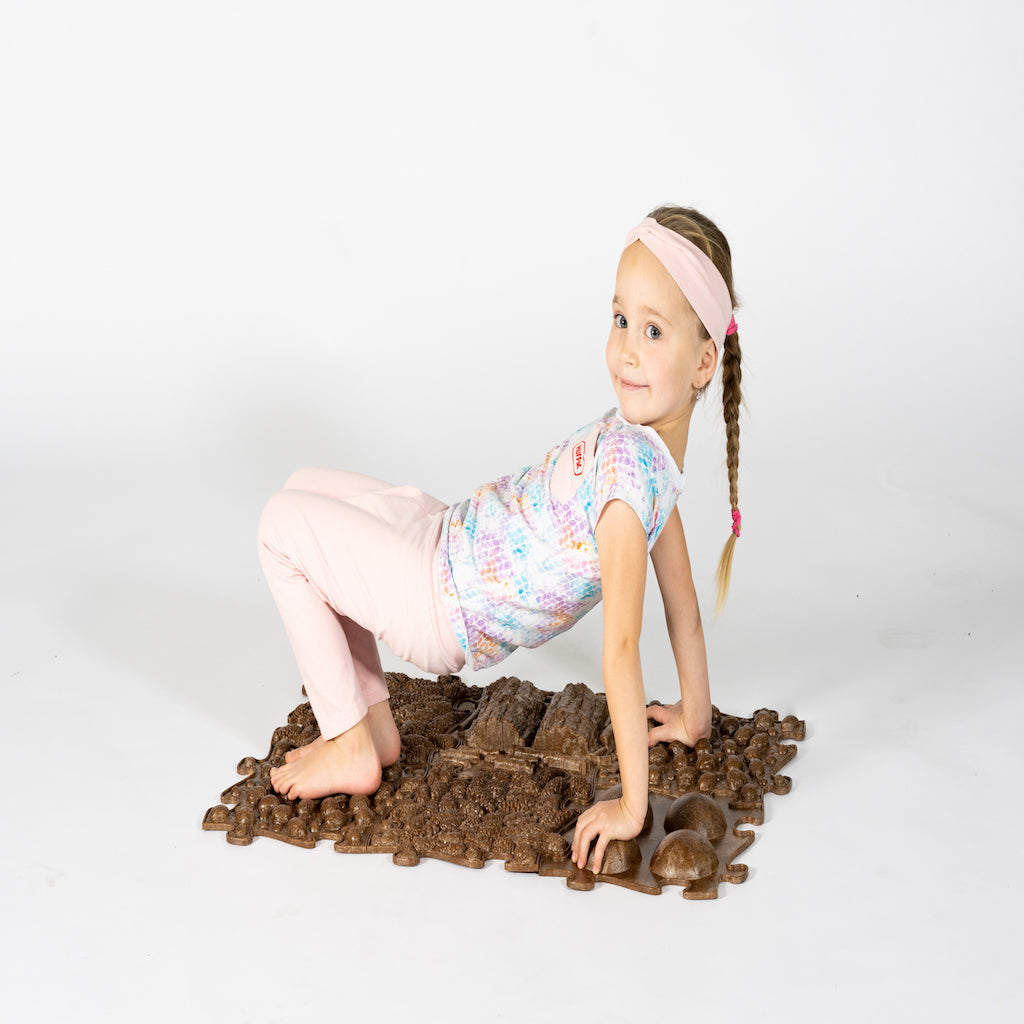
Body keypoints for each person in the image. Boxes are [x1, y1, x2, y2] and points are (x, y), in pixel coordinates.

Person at [256, 205, 744, 874]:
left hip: (440, 602)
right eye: (620, 319)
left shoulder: (629, 497)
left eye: (654, 330)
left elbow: (623, 650)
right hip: (444, 532)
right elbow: (683, 610)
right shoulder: (651, 465)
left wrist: (633, 807)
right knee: (303, 486)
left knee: (279, 527)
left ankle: (351, 742)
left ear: (704, 362)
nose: (627, 349)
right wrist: (694, 714)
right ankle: (373, 724)